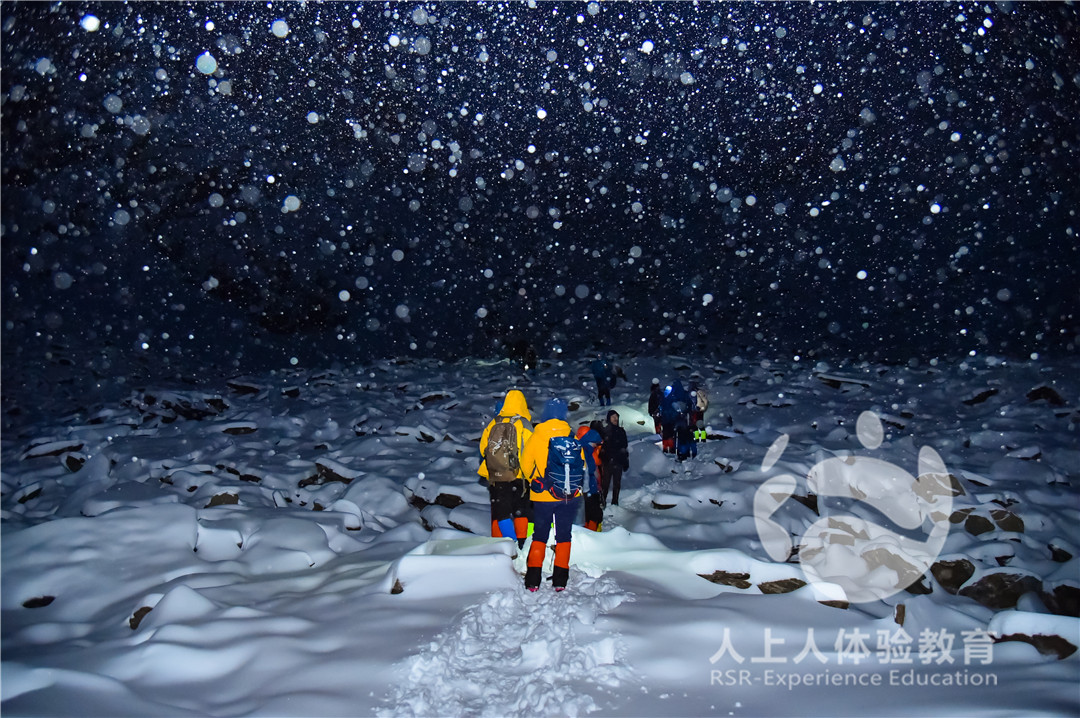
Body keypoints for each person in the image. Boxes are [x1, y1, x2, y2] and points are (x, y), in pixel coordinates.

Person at [520, 398, 595, 591]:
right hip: (568, 496)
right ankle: (560, 580)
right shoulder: (570, 435)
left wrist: (536, 480)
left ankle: (533, 580)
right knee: (564, 537)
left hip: (542, 497)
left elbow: (525, 464)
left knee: (539, 536)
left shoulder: (536, 436)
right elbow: (582, 465)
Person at [477, 389, 534, 548]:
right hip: (519, 475)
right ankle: (522, 544)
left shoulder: (494, 423)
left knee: (501, 512)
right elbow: (531, 450)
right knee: (522, 510)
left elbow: (483, 448)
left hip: (497, 475)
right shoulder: (523, 423)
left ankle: (507, 542)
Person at [576, 420, 605, 531]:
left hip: (588, 489)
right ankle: (592, 533)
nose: (596, 446)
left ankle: (591, 531)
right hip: (588, 490)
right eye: (595, 443)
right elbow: (588, 471)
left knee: (590, 514)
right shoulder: (586, 452)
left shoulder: (587, 450)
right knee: (592, 514)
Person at [599, 410, 629, 506]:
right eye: (613, 417)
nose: (615, 419)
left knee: (617, 483)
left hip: (618, 461)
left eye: (616, 417)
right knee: (605, 483)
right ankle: (602, 502)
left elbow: (624, 446)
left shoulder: (621, 431)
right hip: (608, 461)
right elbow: (602, 446)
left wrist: (625, 460)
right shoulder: (605, 430)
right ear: (609, 418)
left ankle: (615, 503)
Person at [659, 379, 693, 454]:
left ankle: (668, 448)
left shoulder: (669, 395)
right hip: (681, 418)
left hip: (668, 418)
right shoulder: (684, 395)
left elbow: (663, 405)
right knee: (682, 435)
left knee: (668, 434)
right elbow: (689, 405)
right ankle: (682, 450)